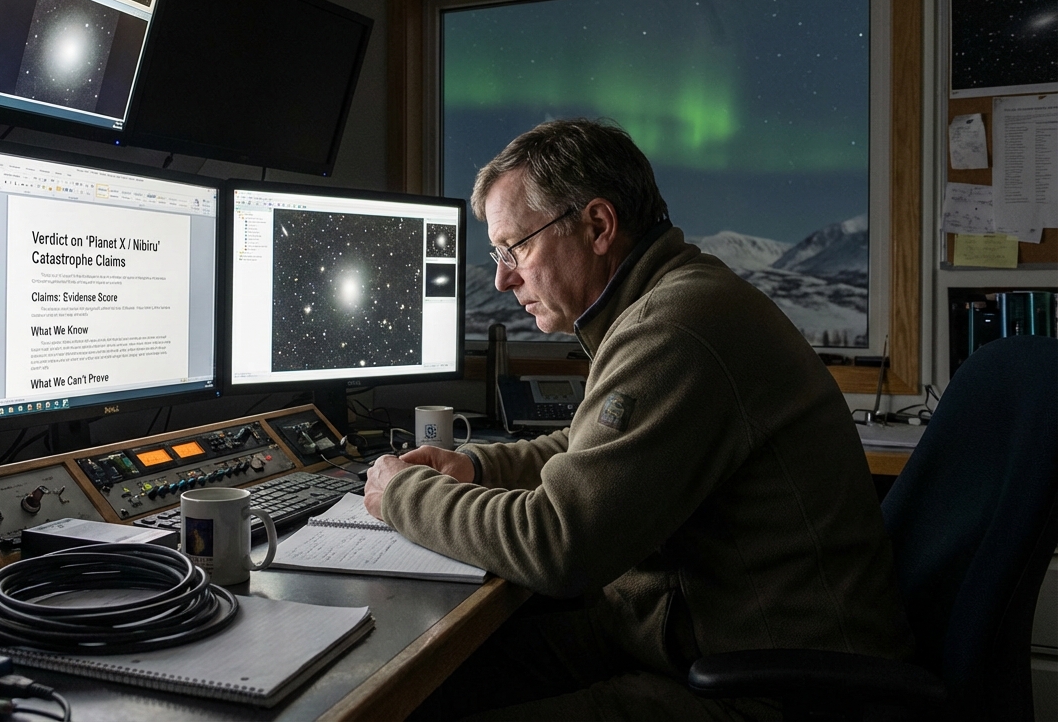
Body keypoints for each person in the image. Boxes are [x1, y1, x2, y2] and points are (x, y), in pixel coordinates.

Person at [363, 118, 913, 720]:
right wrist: (472, 464)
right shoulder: (666, 299)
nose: (501, 278)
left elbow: (556, 543)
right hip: (681, 636)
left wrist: (402, 493)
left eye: (516, 247)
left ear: (598, 226)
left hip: (764, 686)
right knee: (440, 679)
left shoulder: (675, 328)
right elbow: (586, 445)